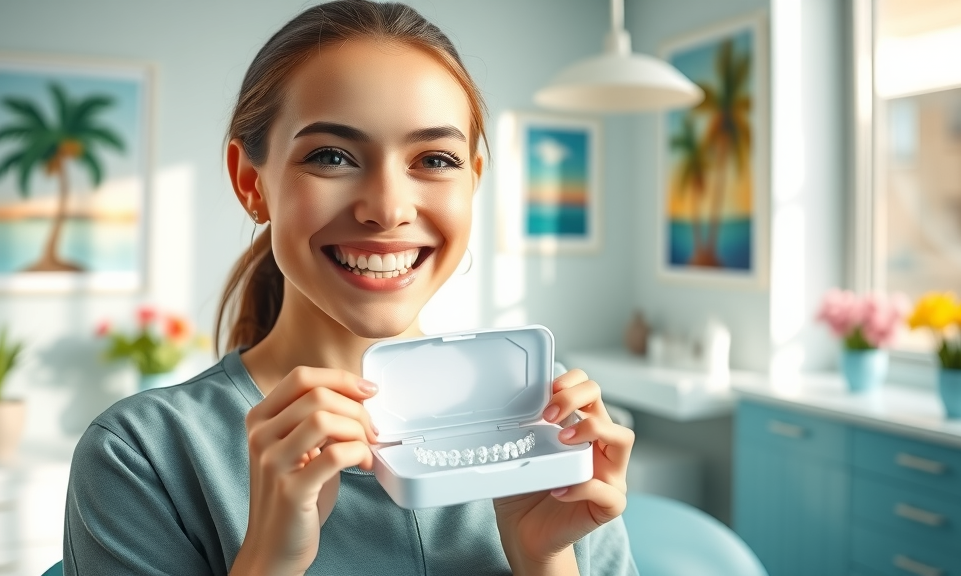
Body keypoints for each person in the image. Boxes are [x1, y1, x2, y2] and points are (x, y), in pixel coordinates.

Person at [63, 1, 638, 574]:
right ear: (250, 183)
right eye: (333, 156)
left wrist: (546, 560)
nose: (388, 209)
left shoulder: (549, 420)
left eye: (435, 159)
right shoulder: (140, 456)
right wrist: (270, 559)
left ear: (473, 182)